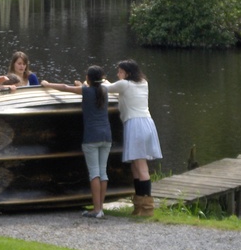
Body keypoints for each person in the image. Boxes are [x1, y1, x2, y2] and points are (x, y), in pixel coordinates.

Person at [42, 66, 111, 219]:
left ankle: (96, 209)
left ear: (88, 78)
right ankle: (101, 208)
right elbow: (89, 87)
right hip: (106, 136)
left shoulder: (86, 91)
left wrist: (47, 84)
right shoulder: (104, 91)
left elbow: (65, 88)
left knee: (94, 173)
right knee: (103, 172)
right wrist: (82, 85)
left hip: (91, 137)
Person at [104, 59, 162, 217]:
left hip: (135, 125)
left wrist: (89, 83)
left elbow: (106, 88)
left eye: (120, 71)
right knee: (135, 167)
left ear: (127, 73)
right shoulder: (143, 82)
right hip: (147, 123)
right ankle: (139, 206)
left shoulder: (124, 85)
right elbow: (119, 88)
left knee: (141, 167)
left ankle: (147, 208)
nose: (118, 74)